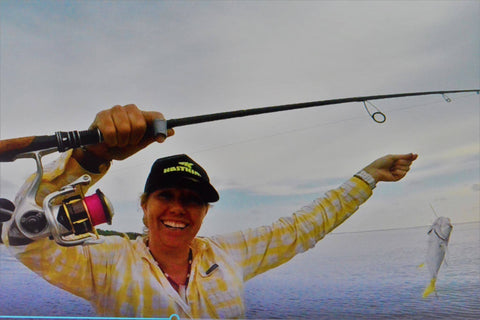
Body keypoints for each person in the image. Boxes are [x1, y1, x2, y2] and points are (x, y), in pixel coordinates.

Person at [3, 104, 418, 318]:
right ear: (144, 205)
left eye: (193, 199)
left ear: (204, 212)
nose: (178, 208)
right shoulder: (105, 263)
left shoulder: (230, 254)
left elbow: (304, 226)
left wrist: (368, 177)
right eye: (166, 195)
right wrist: (91, 156)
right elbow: (20, 236)